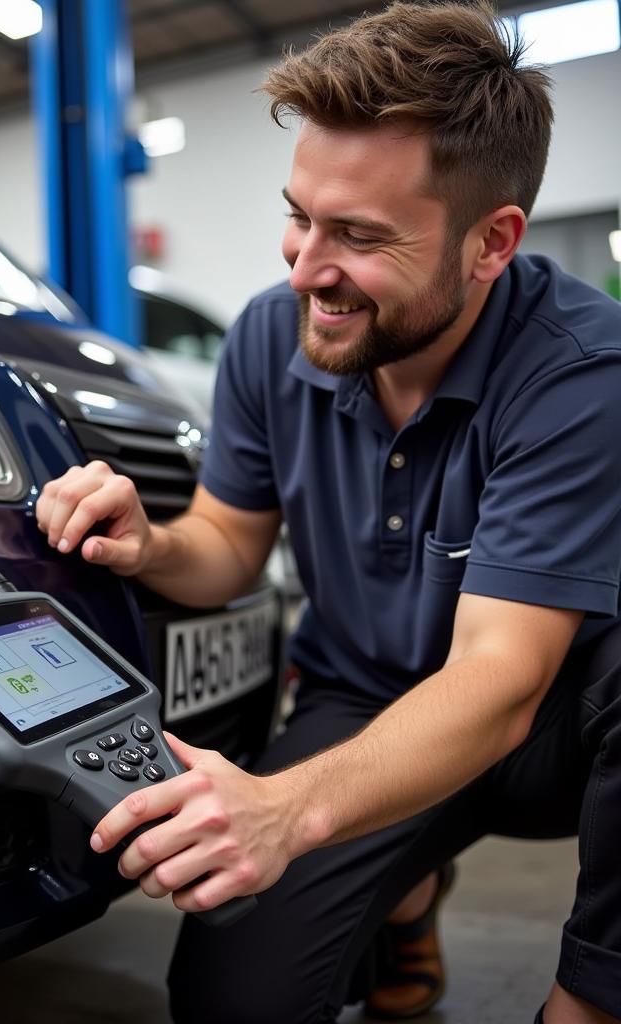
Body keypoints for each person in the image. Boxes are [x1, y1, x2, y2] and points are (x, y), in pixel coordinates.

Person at [36, 3, 621, 1022]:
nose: (304, 267)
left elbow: (498, 679)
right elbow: (226, 543)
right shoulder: (273, 335)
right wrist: (150, 542)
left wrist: (282, 809)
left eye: (354, 235)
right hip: (360, 698)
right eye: (300, 214)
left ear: (491, 243)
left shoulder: (579, 374)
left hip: (546, 735)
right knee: (231, 1004)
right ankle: (405, 889)